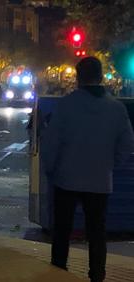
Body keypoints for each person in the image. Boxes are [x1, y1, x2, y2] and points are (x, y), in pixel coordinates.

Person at [41, 57, 134, 282]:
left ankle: (59, 273)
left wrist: (50, 169)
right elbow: (127, 143)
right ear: (100, 76)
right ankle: (97, 275)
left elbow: (51, 142)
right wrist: (110, 165)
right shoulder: (115, 108)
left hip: (66, 177)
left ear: (78, 77)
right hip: (100, 179)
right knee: (97, 232)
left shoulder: (66, 105)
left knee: (62, 231)